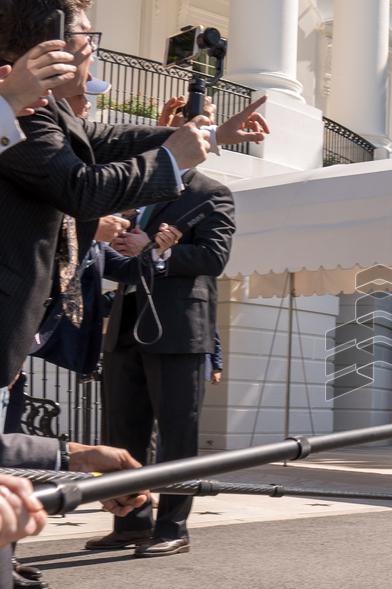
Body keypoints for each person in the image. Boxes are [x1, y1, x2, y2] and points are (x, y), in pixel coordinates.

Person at [0, 0, 267, 393]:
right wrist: (172, 159)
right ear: (52, 45)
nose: (93, 48)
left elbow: (104, 140)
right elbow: (81, 189)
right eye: (87, 35)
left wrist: (211, 135)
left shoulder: (42, 109)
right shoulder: (22, 112)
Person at [89, 92, 240, 557]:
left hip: (178, 332)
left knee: (178, 434)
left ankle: (173, 527)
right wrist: (121, 247)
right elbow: (115, 264)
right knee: (123, 430)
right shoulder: (136, 192)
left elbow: (214, 258)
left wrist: (160, 251)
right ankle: (131, 522)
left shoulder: (211, 192)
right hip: (125, 327)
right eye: (177, 121)